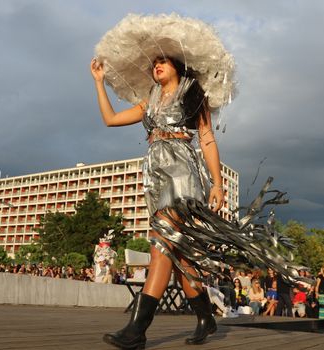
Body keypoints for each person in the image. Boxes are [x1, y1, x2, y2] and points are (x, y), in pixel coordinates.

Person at [92, 13, 302, 349]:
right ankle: (206, 317)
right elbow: (111, 119)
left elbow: (206, 139)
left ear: (176, 64)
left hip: (182, 171)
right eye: (154, 62)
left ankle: (137, 330)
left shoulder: (193, 93)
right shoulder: (149, 98)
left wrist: (217, 183)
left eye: (163, 61)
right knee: (180, 257)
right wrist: (99, 82)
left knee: (161, 243)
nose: (157, 66)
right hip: (155, 173)